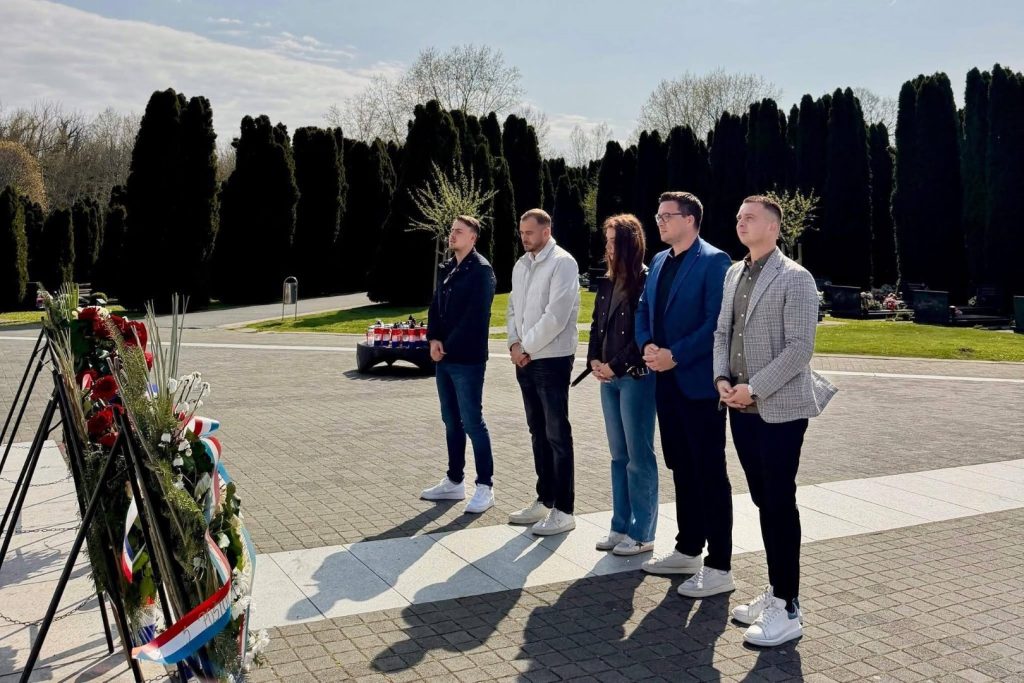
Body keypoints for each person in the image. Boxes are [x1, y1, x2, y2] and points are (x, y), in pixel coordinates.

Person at [715, 195, 837, 647]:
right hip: (739, 406)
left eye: (750, 217)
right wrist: (721, 378)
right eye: (738, 217)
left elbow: (800, 347)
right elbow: (722, 332)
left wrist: (755, 387)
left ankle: (787, 606)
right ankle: (776, 587)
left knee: (779, 502)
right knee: (764, 500)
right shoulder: (734, 273)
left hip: (779, 409)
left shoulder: (796, 277)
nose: (740, 223)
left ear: (773, 227)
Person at [634, 191, 735, 600]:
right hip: (666, 383)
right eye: (658, 215)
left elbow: (716, 323)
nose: (659, 221)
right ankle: (688, 549)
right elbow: (644, 309)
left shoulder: (715, 261)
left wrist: (675, 354)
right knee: (680, 466)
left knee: (709, 471)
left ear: (690, 219)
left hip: (697, 384)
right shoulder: (659, 261)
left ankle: (720, 565)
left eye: (667, 216)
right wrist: (647, 345)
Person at [587, 214, 659, 556]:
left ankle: (642, 533)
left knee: (638, 458)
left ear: (630, 244)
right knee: (618, 456)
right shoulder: (606, 281)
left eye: (614, 241)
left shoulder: (646, 281)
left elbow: (644, 334)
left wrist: (613, 366)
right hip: (609, 380)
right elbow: (595, 326)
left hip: (635, 379)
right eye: (607, 240)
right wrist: (593, 361)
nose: (608, 247)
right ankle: (620, 526)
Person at [506, 208, 581, 536]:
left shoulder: (563, 263)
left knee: (557, 434)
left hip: (552, 359)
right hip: (525, 359)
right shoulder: (521, 264)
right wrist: (514, 344)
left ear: (546, 231)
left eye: (530, 232)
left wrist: (526, 346)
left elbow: (556, 315)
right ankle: (544, 498)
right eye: (522, 232)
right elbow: (513, 308)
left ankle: (564, 510)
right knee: (537, 431)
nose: (524, 237)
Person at [420, 216, 498, 514]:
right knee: (451, 420)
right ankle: (454, 481)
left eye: (459, 232)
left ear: (473, 238)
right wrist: (433, 339)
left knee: (472, 421)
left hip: (467, 359)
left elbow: (475, 317)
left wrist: (446, 345)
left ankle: (485, 486)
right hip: (444, 358)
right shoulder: (446, 267)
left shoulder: (481, 271)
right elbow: (435, 307)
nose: (452, 235)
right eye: (451, 230)